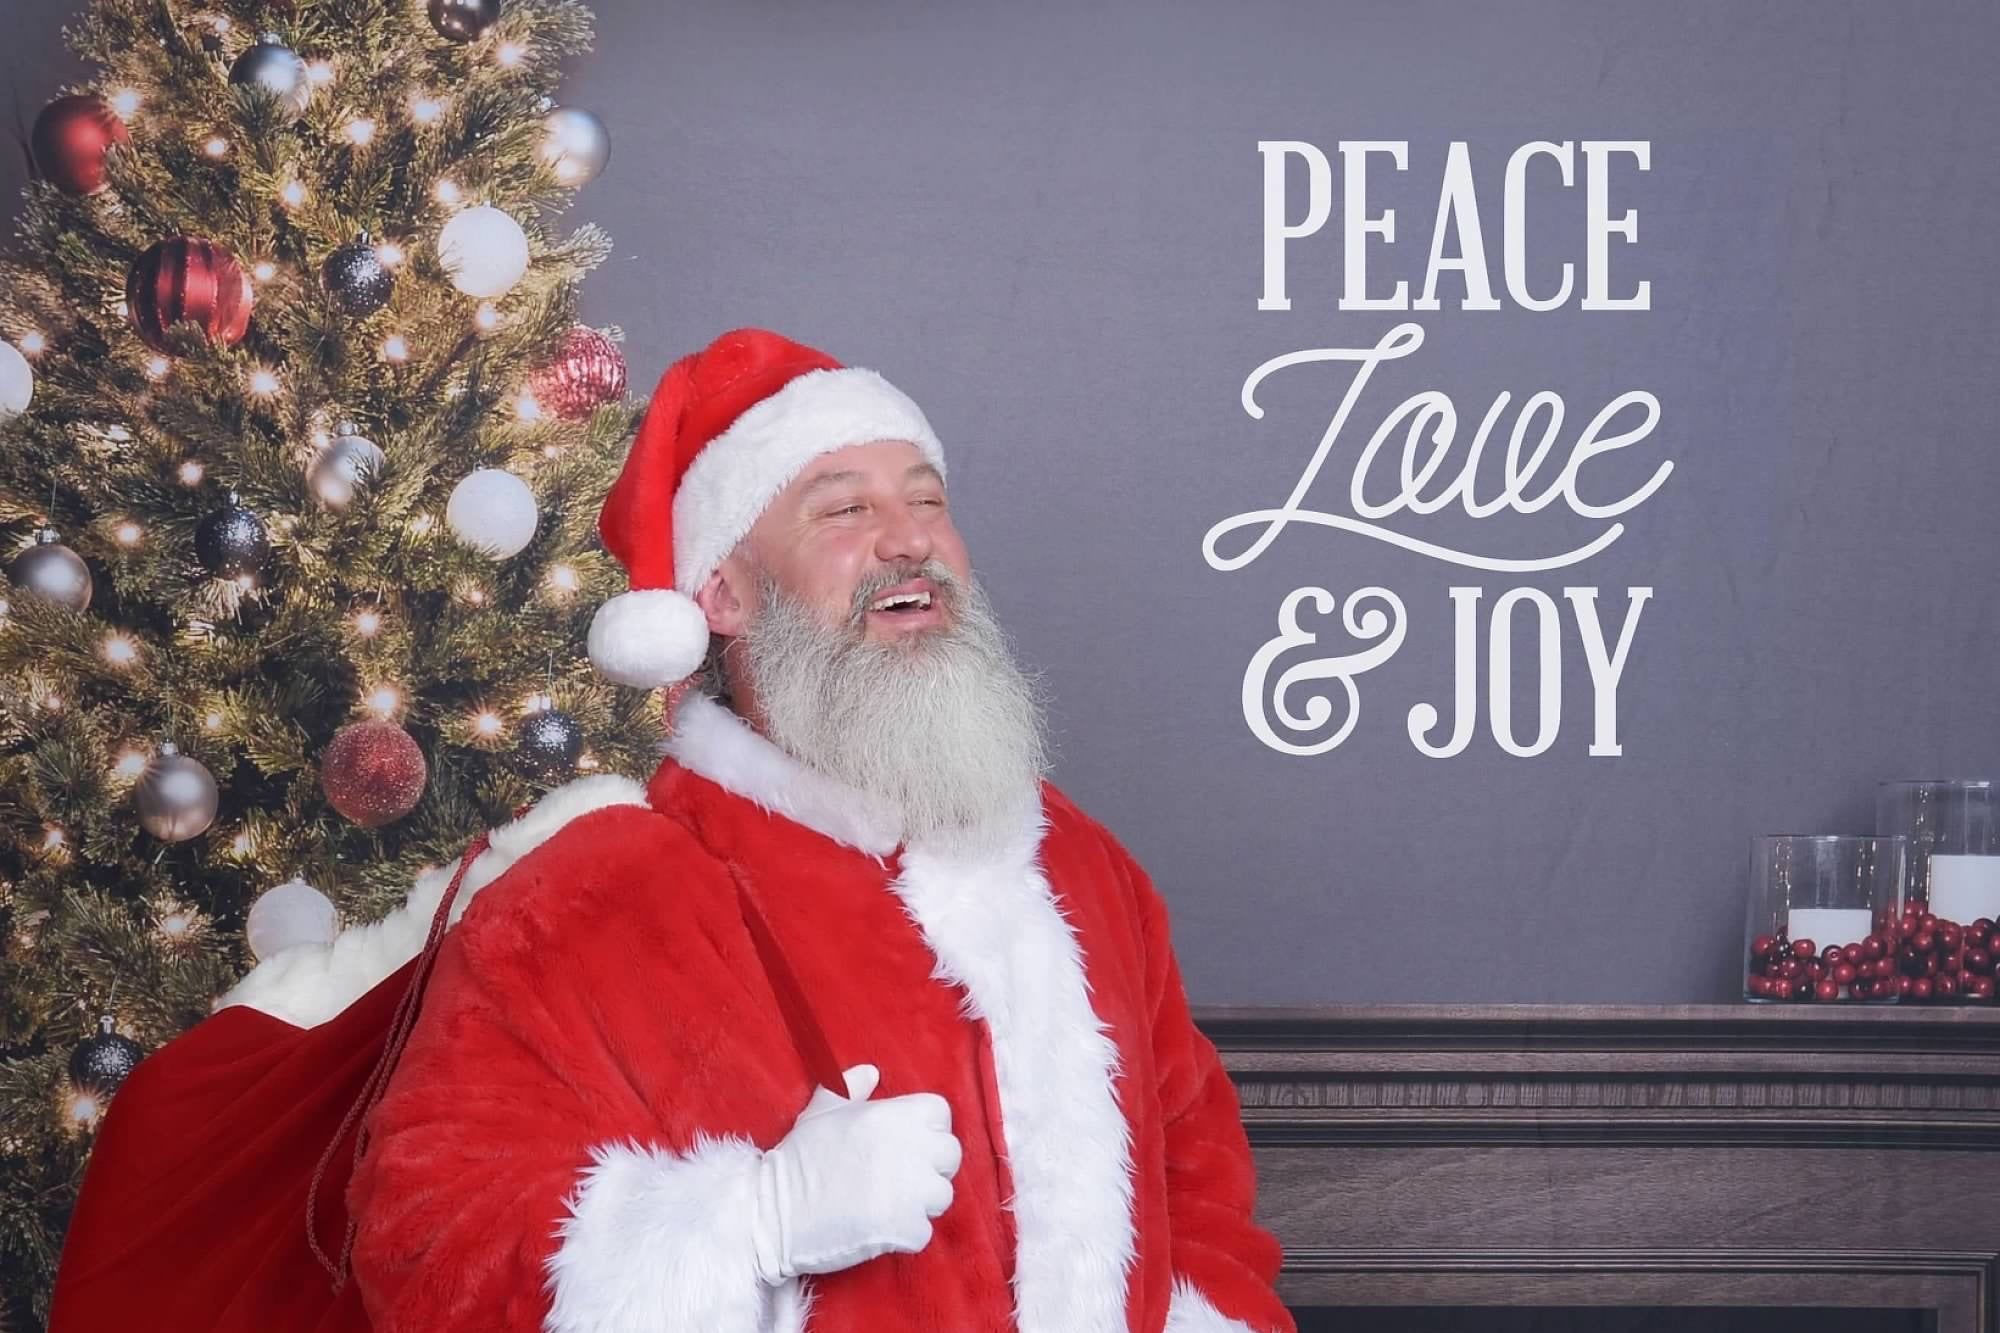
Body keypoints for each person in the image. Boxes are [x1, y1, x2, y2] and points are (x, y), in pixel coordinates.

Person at [342, 327, 1296, 1333]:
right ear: (721, 591)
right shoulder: (584, 901)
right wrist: (752, 1222)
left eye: (927, 499)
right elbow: (427, 1250)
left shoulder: (1081, 869)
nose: (909, 538)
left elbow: (1199, 1200)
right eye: (845, 508)